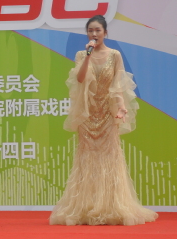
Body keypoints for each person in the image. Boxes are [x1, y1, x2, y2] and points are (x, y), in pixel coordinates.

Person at [50, 15, 158, 226]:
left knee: (110, 160)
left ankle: (111, 206)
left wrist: (121, 106)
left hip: (108, 114)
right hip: (87, 115)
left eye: (97, 30)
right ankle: (85, 207)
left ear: (105, 32)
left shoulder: (115, 55)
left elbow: (118, 84)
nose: (94, 34)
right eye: (90, 30)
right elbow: (80, 79)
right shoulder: (82, 54)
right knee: (87, 160)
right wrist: (88, 57)